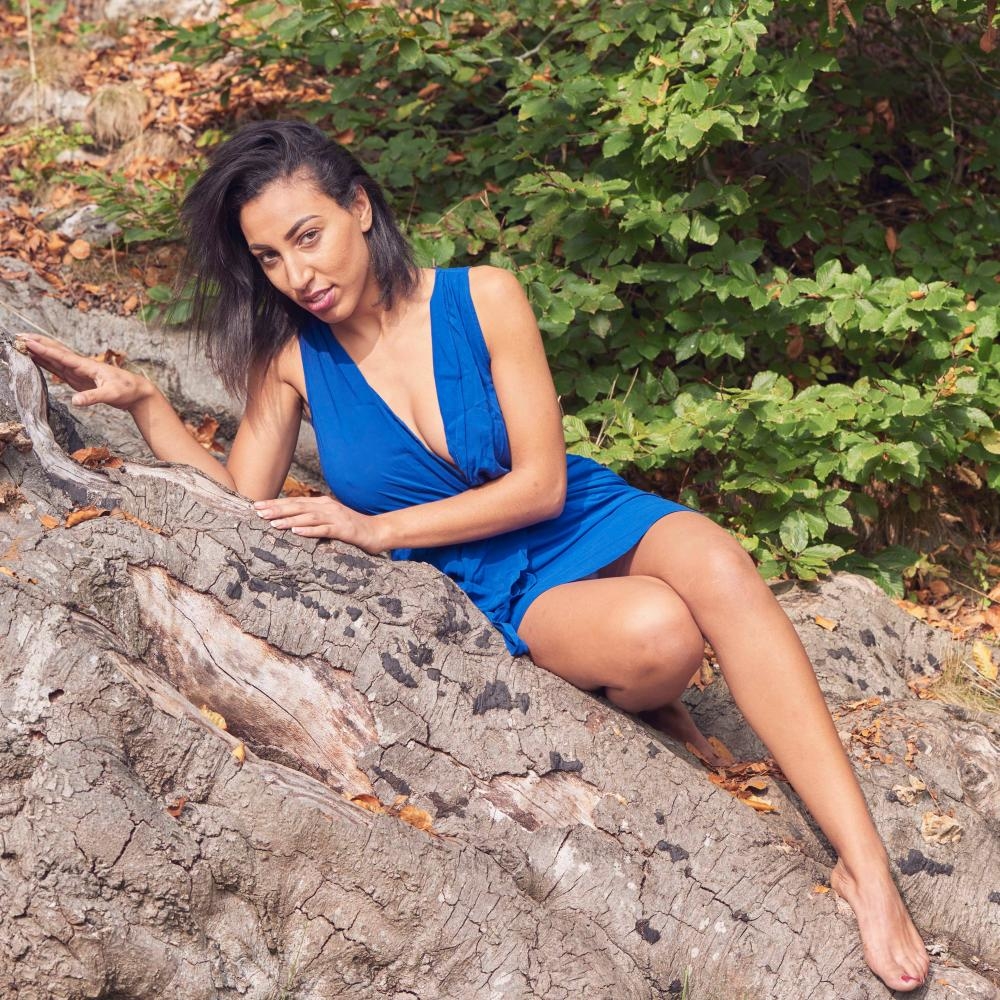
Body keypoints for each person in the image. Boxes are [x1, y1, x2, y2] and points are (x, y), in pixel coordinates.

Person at [20, 119, 929, 992]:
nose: (298, 275)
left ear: (360, 208)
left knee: (721, 562)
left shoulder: (483, 296)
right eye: (269, 258)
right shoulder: (293, 358)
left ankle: (866, 866)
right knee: (662, 637)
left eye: (308, 237)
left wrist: (376, 529)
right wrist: (146, 404)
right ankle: (642, 686)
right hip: (485, 579)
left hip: (577, 512)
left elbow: (541, 486)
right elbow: (240, 503)